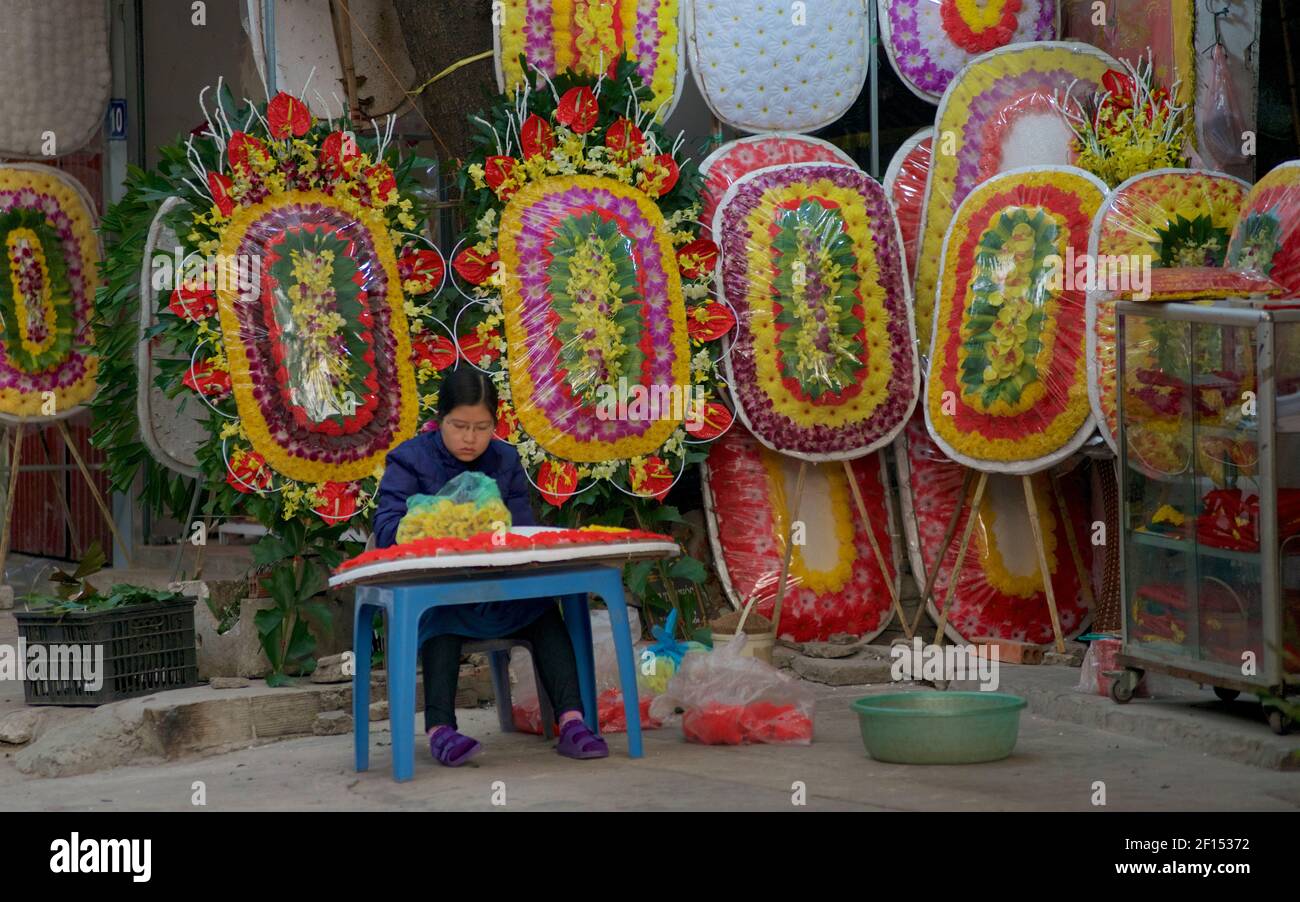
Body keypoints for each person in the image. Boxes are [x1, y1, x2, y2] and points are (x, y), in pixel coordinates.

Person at [372, 367, 609, 765]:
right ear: (439, 420)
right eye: (459, 425)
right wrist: (434, 521)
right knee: (439, 620)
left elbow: (521, 529)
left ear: (495, 426)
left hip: (500, 590)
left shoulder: (504, 459)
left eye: (482, 427)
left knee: (544, 614)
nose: (470, 438)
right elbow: (386, 529)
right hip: (441, 592)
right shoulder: (410, 460)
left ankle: (572, 722)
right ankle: (441, 732)